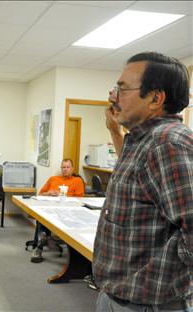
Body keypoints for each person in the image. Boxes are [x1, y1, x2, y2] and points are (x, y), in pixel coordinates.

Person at [93, 52, 193, 311]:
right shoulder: (143, 140)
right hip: (120, 296)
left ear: (155, 98)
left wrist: (165, 277)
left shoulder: (167, 143)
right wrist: (115, 131)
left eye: (122, 89)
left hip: (147, 303)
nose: (114, 97)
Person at [29, 159, 84, 263]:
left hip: (68, 210)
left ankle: (41, 239)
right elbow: (40, 194)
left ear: (72, 169)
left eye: (68, 167)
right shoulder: (53, 179)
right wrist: (49, 193)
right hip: (50, 208)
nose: (65, 169)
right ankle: (38, 248)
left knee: (42, 223)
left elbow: (80, 199)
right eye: (63, 167)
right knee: (41, 218)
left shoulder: (77, 181)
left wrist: (63, 195)